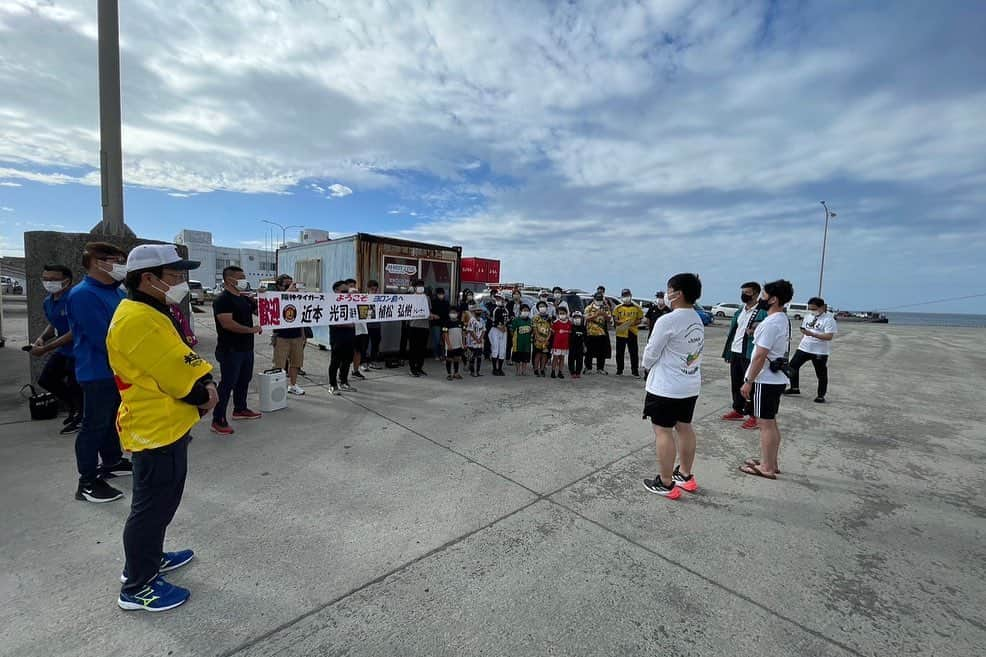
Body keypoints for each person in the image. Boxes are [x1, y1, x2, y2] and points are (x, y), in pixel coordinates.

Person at [107, 244, 217, 612]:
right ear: (148, 279)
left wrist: (205, 380)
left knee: (160, 504)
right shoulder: (138, 319)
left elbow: (184, 355)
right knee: (151, 508)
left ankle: (149, 558)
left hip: (165, 425)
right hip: (156, 429)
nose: (182, 283)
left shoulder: (152, 310)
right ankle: (138, 586)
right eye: (175, 276)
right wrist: (204, 391)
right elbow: (178, 378)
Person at [66, 242, 132, 503]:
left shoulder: (116, 292)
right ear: (96, 262)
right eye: (115, 260)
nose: (120, 265)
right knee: (94, 425)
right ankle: (87, 482)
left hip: (117, 370)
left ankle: (112, 462)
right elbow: (102, 338)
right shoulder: (83, 294)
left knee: (110, 421)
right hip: (97, 371)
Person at [641, 273, 705, 499]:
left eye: (668, 290)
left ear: (677, 294)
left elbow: (651, 352)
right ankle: (685, 475)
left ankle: (666, 482)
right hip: (689, 385)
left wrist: (645, 365)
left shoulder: (668, 320)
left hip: (666, 387)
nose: (666, 295)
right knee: (684, 427)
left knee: (663, 431)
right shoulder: (696, 318)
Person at [739, 279, 795, 480]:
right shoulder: (781, 319)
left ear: (774, 299)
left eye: (763, 294)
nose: (760, 298)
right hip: (775, 378)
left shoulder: (771, 322)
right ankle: (771, 461)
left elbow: (760, 355)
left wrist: (748, 380)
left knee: (765, 424)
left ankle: (767, 467)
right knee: (770, 422)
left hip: (766, 379)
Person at [31, 263, 83, 434]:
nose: (48, 283)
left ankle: (81, 417)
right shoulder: (49, 302)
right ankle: (74, 409)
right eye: (45, 279)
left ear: (66, 281)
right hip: (63, 350)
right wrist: (42, 338)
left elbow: (74, 331)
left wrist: (46, 348)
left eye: (53, 280)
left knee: (76, 386)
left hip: (79, 350)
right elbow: (53, 323)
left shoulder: (75, 298)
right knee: (47, 379)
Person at [210, 266, 262, 435]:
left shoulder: (244, 299)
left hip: (246, 348)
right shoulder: (222, 300)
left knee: (244, 380)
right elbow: (228, 324)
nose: (244, 280)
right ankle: (218, 420)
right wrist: (251, 330)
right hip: (230, 349)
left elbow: (260, 311)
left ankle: (240, 409)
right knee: (227, 384)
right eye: (241, 277)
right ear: (229, 280)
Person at [721, 282, 768, 428]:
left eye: (747, 292)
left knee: (750, 385)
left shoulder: (762, 311)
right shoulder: (741, 311)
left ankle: (754, 415)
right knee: (736, 383)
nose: (743, 295)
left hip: (749, 352)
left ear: (756, 293)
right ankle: (738, 409)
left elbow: (766, 330)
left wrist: (755, 331)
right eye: (743, 292)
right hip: (736, 351)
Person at [785, 297, 837, 402]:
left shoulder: (829, 319)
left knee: (821, 373)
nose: (812, 311)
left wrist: (813, 334)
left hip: (819, 351)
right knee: (792, 366)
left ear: (822, 307)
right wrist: (804, 332)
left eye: (814, 309)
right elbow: (805, 329)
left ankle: (821, 395)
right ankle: (794, 388)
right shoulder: (808, 316)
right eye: (810, 309)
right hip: (804, 347)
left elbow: (829, 337)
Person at [271, 274, 306, 395]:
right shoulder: (275, 297)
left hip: (296, 334)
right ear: (279, 286)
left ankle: (293, 384)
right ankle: (277, 387)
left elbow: (301, 317)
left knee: (296, 362)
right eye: (286, 284)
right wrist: (287, 292)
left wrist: (303, 334)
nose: (291, 287)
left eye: (291, 284)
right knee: (279, 363)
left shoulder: (297, 299)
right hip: (281, 335)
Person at [327, 280, 358, 394]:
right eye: (343, 291)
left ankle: (344, 382)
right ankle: (332, 384)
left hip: (350, 335)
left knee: (347, 360)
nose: (346, 293)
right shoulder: (331, 302)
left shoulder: (350, 301)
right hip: (337, 336)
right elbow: (332, 321)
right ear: (336, 291)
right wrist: (349, 324)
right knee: (335, 361)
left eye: (347, 291)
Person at [613, 288, 645, 377]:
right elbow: (615, 320)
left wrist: (632, 323)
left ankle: (635, 371)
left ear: (630, 296)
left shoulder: (637, 308)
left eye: (627, 296)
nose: (626, 297)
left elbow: (640, 320)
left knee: (634, 352)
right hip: (621, 332)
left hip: (632, 332)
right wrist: (624, 322)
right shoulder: (618, 308)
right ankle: (619, 370)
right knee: (620, 352)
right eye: (624, 296)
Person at [408, 278, 432, 377]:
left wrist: (431, 316)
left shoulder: (427, 298)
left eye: (421, 286)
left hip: (424, 326)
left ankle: (419, 367)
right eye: (418, 286)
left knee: (422, 349)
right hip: (414, 326)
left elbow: (429, 311)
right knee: (413, 348)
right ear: (414, 288)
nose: (420, 288)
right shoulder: (410, 298)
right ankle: (412, 368)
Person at [583, 292, 612, 374]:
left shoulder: (605, 308)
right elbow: (586, 318)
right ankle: (588, 368)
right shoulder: (589, 308)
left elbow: (609, 319)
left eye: (600, 300)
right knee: (589, 352)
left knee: (601, 352)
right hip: (591, 332)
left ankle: (600, 368)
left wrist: (604, 315)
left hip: (601, 333)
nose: (599, 301)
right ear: (594, 299)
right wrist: (596, 315)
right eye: (597, 299)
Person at [489, 292, 510, 376]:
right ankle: (494, 369)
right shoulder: (494, 310)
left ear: (503, 299)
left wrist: (505, 327)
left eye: (499, 298)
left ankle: (500, 369)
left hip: (504, 331)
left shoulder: (506, 310)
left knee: (502, 350)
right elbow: (493, 321)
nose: (498, 300)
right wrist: (500, 327)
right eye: (496, 298)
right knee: (495, 349)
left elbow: (507, 320)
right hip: (495, 330)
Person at [509, 304, 533, 376]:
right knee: (517, 358)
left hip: (527, 343)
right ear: (520, 311)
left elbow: (532, 331)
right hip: (518, 343)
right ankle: (518, 370)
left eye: (527, 310)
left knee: (525, 357)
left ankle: (524, 371)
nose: (526, 312)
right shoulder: (516, 320)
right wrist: (514, 338)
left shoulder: (530, 321)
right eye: (524, 310)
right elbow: (512, 330)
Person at [531, 301, 553, 377]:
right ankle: (536, 369)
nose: (542, 308)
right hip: (537, 340)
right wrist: (538, 337)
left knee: (544, 355)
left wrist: (547, 338)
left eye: (543, 306)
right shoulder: (535, 318)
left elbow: (551, 329)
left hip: (546, 339)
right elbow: (534, 328)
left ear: (546, 308)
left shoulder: (549, 318)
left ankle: (542, 369)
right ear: (537, 308)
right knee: (537, 355)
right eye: (540, 306)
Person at [365, 280, 383, 369]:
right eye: (372, 289)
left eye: (375, 290)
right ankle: (363, 362)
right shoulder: (364, 297)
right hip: (366, 325)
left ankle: (373, 361)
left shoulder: (379, 298)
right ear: (368, 288)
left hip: (376, 325)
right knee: (364, 344)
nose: (374, 291)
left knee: (376, 343)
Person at [443, 308, 465, 380]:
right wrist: (448, 345)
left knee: (457, 359)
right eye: (451, 312)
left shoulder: (461, 323)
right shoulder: (446, 323)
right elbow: (445, 334)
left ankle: (456, 373)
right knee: (449, 359)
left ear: (457, 314)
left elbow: (463, 334)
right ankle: (449, 374)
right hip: (450, 345)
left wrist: (463, 343)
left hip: (458, 345)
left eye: (454, 312)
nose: (453, 314)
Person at [550, 307, 572, 379]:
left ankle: (560, 372)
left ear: (566, 314)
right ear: (558, 314)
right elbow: (552, 332)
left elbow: (571, 332)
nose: (562, 315)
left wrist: (566, 332)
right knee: (555, 358)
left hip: (565, 344)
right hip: (557, 344)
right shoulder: (556, 322)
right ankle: (553, 371)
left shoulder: (569, 323)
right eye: (560, 313)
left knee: (562, 358)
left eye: (563, 313)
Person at [430, 287, 450, 361]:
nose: (441, 295)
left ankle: (443, 354)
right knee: (437, 339)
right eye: (439, 294)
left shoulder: (446, 302)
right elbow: (430, 312)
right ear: (437, 294)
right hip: (436, 324)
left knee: (444, 340)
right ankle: (436, 354)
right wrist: (434, 316)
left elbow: (447, 313)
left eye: (442, 294)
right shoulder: (433, 302)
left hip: (444, 324)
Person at [464, 307, 486, 377]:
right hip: (472, 342)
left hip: (479, 343)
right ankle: (472, 371)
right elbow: (471, 331)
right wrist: (476, 339)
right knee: (472, 357)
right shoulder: (472, 320)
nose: (478, 311)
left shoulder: (482, 320)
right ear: (474, 312)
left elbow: (484, 330)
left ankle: (478, 371)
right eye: (477, 310)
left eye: (479, 310)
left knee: (479, 357)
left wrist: (480, 338)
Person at [568, 310, 586, 379]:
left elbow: (585, 338)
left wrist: (585, 346)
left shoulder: (583, 327)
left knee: (580, 360)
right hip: (572, 346)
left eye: (578, 317)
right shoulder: (570, 327)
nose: (577, 319)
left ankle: (578, 372)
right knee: (571, 359)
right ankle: (572, 372)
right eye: (575, 317)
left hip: (580, 346)